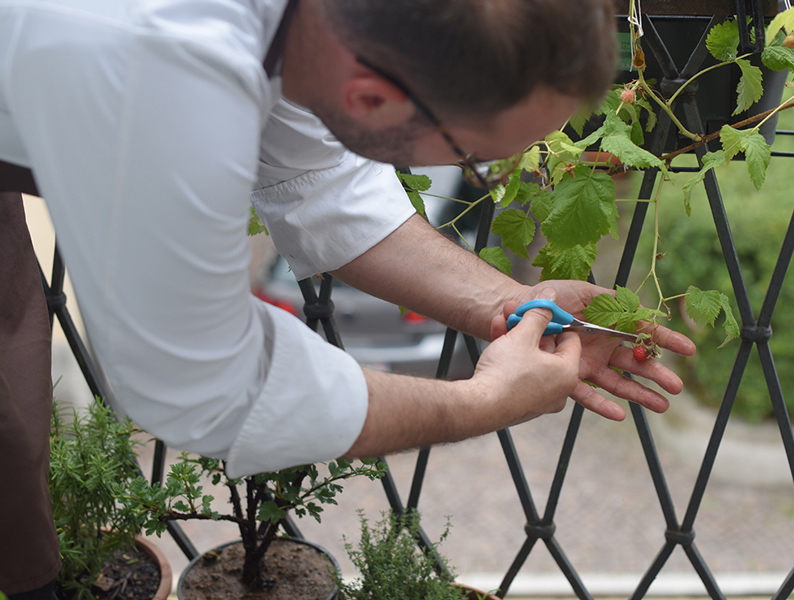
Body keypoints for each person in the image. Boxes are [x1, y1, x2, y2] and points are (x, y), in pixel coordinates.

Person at [0, 0, 696, 598]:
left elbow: (319, 182)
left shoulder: (322, 25)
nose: (477, 173)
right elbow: (201, 384)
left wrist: (515, 304)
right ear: (370, 97)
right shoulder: (156, 60)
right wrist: (484, 402)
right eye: (475, 158)